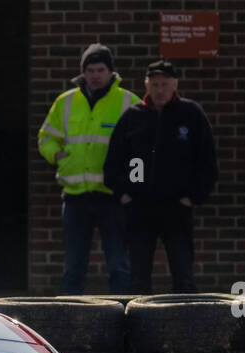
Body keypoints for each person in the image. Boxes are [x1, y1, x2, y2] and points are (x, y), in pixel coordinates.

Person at [105, 60, 218, 293]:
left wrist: (193, 196)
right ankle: (136, 325)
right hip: (139, 209)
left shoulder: (191, 114)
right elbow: (114, 161)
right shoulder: (132, 117)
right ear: (146, 85)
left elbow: (207, 161)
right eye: (154, 84)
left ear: (175, 84)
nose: (159, 90)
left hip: (177, 208)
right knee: (138, 278)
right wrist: (124, 193)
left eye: (164, 84)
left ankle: (187, 323)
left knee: (183, 274)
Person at [37, 43, 140, 294]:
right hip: (75, 195)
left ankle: (123, 314)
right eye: (90, 69)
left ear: (111, 72)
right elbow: (45, 138)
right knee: (73, 266)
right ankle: (72, 318)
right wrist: (58, 155)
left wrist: (131, 185)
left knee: (118, 264)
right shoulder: (66, 102)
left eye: (100, 69)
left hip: (112, 195)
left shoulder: (128, 102)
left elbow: (142, 148)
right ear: (82, 72)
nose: (95, 75)